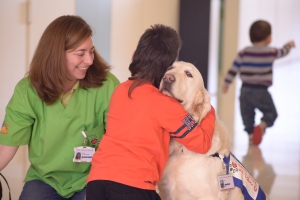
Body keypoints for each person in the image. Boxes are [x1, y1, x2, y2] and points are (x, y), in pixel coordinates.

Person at [86, 24, 216, 200]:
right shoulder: (164, 105)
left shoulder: (121, 90)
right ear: (165, 70)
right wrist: (207, 108)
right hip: (132, 187)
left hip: (96, 181)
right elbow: (202, 143)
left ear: (134, 56)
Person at [0, 15, 120, 199]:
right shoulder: (27, 90)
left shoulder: (107, 85)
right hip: (45, 178)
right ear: (56, 54)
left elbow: (121, 140)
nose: (89, 60)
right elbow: (6, 148)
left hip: (92, 176)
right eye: (80, 54)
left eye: (91, 51)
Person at [222, 20, 295, 145]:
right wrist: (289, 45)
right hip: (261, 91)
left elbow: (234, 68)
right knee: (271, 112)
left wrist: (226, 83)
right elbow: (284, 51)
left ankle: (251, 135)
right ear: (269, 37)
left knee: (247, 115)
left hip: (245, 91)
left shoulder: (244, 52)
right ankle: (262, 126)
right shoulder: (271, 51)